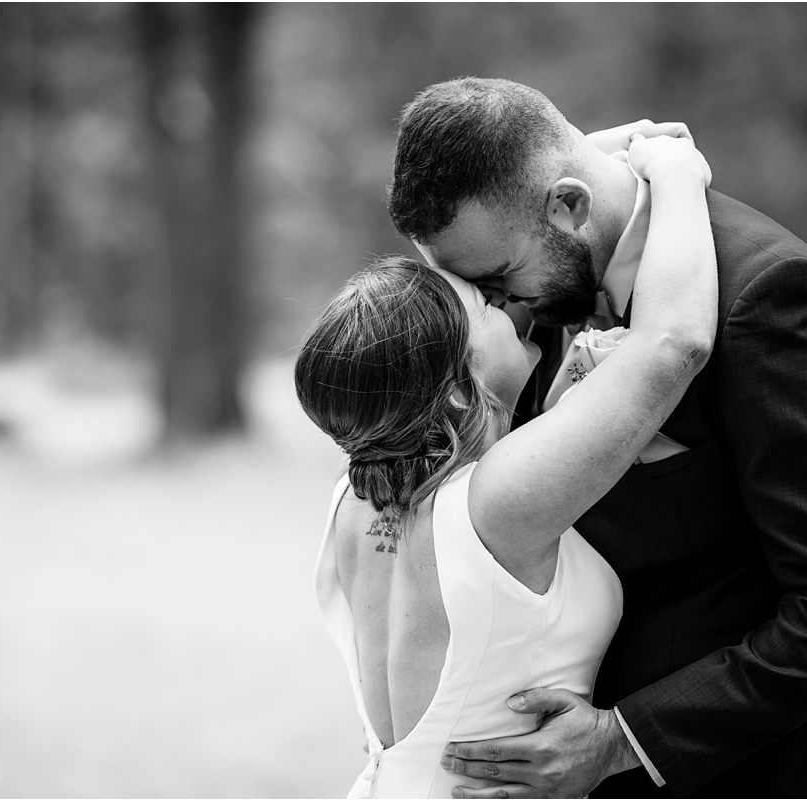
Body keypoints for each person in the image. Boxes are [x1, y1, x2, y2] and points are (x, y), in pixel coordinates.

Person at [388, 77, 807, 798]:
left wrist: (622, 739)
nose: (500, 312)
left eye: (499, 283)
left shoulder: (766, 297)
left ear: (571, 205)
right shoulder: (535, 276)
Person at [296, 134, 716, 798]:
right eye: (486, 307)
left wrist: (555, 408)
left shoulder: (357, 493)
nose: (510, 302)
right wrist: (676, 172)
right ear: (461, 388)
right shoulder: (499, 505)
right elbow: (675, 343)